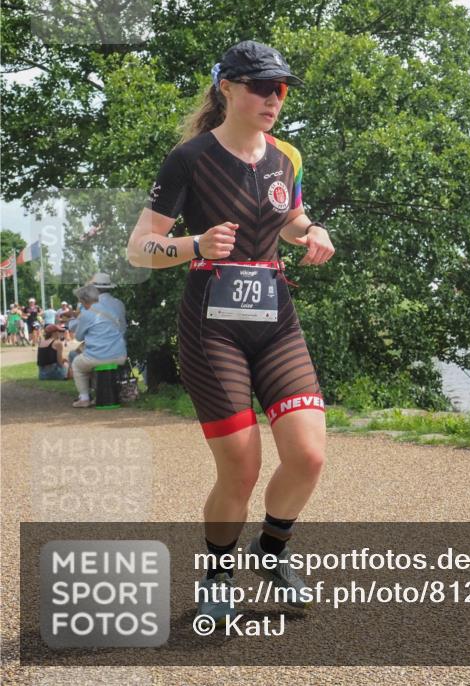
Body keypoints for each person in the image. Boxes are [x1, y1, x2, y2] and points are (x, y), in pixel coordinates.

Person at [126, 40, 335, 623]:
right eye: (262, 87)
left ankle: (271, 550)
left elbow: (290, 219)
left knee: (308, 455)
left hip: (275, 321)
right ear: (227, 88)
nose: (274, 99)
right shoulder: (189, 159)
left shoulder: (286, 156)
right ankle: (218, 574)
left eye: (281, 89)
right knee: (240, 469)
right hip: (211, 328)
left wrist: (313, 232)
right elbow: (139, 248)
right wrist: (194, 243)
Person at [66, 284, 127, 407]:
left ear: (83, 300)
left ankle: (84, 398)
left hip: (99, 356)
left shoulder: (86, 314)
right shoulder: (110, 310)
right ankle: (100, 394)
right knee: (93, 362)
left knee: (77, 364)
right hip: (120, 354)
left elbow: (78, 337)